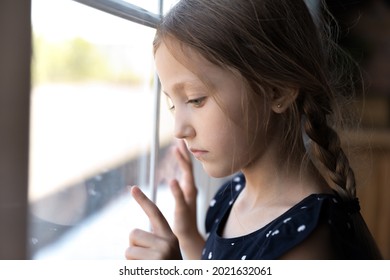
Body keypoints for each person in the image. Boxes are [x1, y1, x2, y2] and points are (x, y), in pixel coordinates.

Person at [125, 0, 383, 260]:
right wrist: (189, 236)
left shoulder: (305, 242)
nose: (179, 129)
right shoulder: (233, 194)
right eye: (172, 102)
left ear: (277, 92)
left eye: (195, 99)